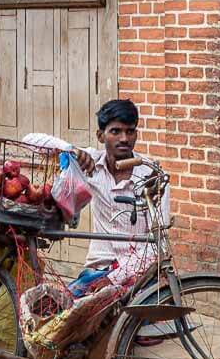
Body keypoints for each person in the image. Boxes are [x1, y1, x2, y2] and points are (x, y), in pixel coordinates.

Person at [23, 99, 170, 294]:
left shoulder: (151, 175)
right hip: (97, 270)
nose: (124, 138)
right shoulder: (90, 163)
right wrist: (69, 149)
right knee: (59, 311)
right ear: (100, 136)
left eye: (130, 131)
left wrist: (114, 278)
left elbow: (157, 244)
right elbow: (29, 141)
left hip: (138, 274)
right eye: (115, 131)